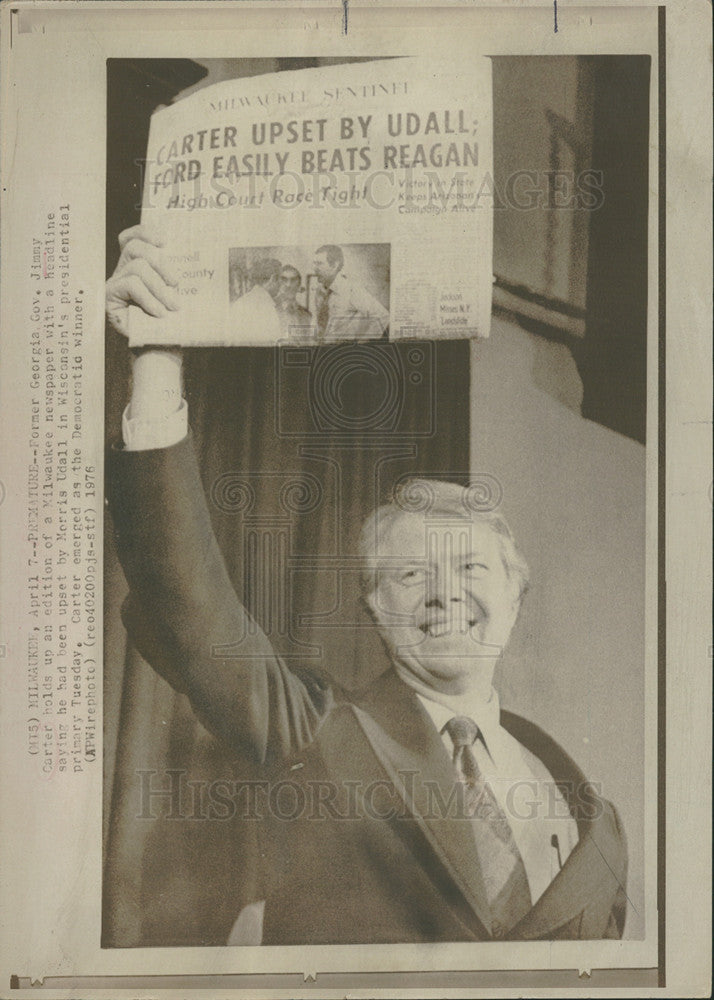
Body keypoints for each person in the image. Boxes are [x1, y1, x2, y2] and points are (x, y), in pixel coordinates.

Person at [106, 227, 628, 945]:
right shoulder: (317, 731)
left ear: (516, 597)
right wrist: (157, 363)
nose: (444, 596)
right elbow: (196, 616)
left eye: (471, 569)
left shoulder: (587, 809)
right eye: (412, 576)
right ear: (376, 611)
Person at [313, 244, 389, 341]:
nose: (314, 268)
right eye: (314, 263)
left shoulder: (351, 289)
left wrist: (362, 344)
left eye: (319, 263)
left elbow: (382, 315)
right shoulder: (320, 291)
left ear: (335, 265)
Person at [229, 256, 283, 343]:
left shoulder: (241, 302)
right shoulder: (266, 307)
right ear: (273, 278)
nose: (281, 284)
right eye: (281, 279)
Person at [276, 264, 313, 339]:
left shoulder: (306, 315)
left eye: (293, 280)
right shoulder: (270, 309)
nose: (288, 285)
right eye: (284, 280)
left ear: (299, 285)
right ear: (278, 283)